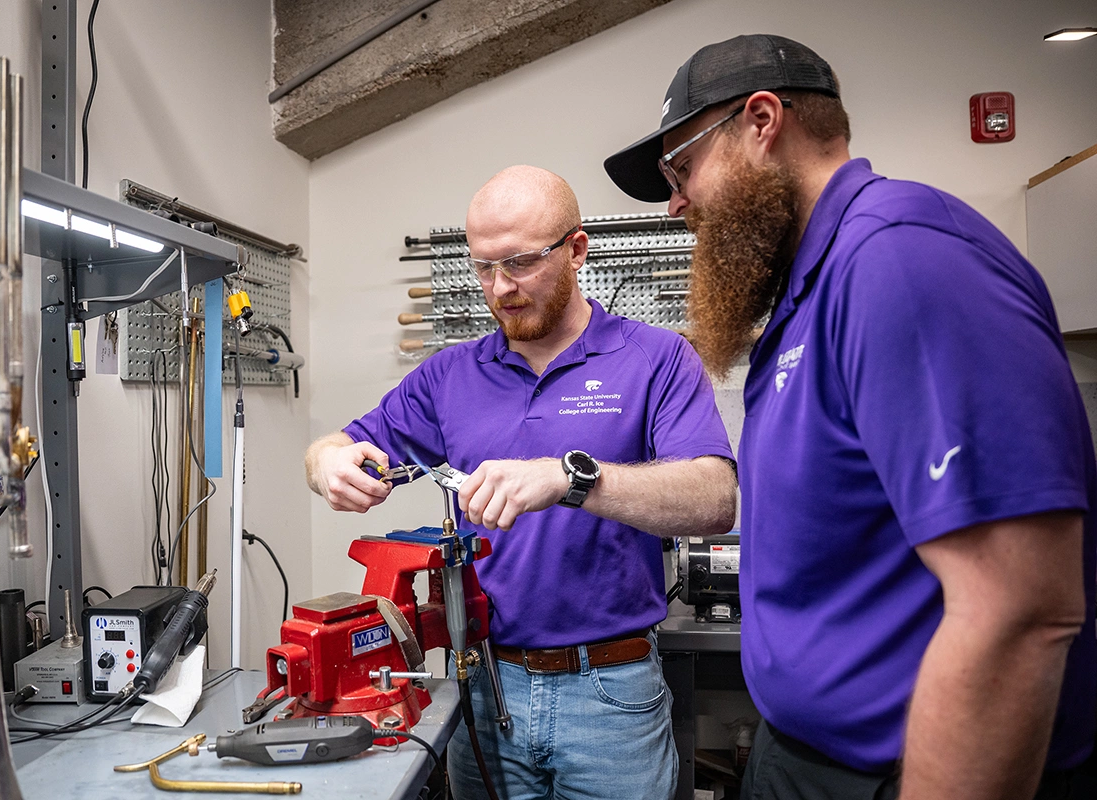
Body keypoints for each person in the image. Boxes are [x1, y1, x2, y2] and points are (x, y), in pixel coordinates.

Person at [605, 33, 1096, 800]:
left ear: (762, 120)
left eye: (681, 167)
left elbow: (1019, 608)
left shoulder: (900, 258)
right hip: (806, 758)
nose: (676, 202)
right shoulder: (813, 288)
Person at [305, 165, 738, 799]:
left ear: (578, 249)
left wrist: (570, 478)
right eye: (483, 267)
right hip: (482, 690)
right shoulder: (449, 376)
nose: (500, 288)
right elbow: (337, 444)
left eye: (521, 263)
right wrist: (326, 465)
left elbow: (713, 498)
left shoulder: (657, 357)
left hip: (610, 696)